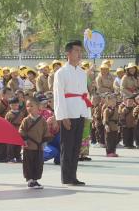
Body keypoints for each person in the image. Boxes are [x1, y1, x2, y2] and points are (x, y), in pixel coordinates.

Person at [53, 40, 90, 186]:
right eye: (76, 51)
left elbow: (85, 94)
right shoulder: (61, 73)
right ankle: (66, 176)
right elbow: (58, 95)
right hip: (68, 112)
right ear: (68, 53)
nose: (79, 54)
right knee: (66, 146)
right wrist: (62, 116)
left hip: (80, 111)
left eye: (80, 51)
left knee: (76, 147)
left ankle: (73, 175)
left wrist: (87, 113)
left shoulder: (82, 72)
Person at [19, 98, 52, 189]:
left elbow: (46, 131)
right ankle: (30, 180)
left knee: (38, 164)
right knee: (28, 164)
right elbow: (21, 131)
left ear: (38, 107)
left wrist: (45, 141)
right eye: (27, 106)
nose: (29, 108)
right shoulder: (26, 120)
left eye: (31, 106)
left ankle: (35, 180)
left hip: (39, 147)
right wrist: (24, 140)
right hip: (29, 146)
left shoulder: (42, 120)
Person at [5, 97, 25, 163]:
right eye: (12, 105)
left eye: (16, 105)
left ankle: (18, 157)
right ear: (10, 105)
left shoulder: (21, 113)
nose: (14, 106)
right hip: (11, 131)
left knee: (18, 145)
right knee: (10, 146)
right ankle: (10, 158)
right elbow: (6, 123)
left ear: (18, 104)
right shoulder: (8, 114)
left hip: (19, 130)